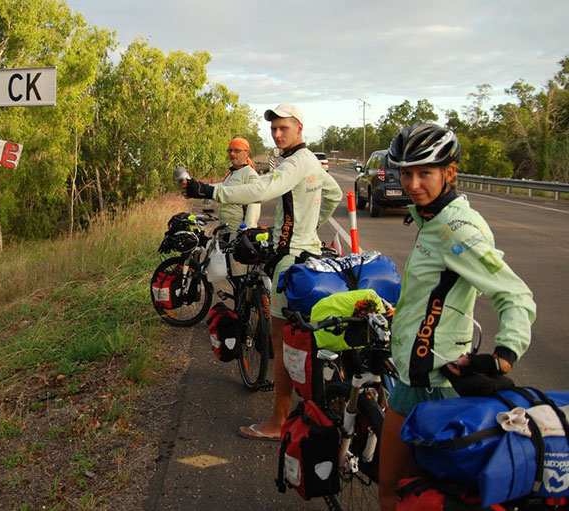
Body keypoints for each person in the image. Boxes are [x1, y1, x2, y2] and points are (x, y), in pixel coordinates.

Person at [377, 123, 536, 511]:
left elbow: (514, 294)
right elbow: (437, 291)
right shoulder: (434, 219)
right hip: (423, 369)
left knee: (391, 489)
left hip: (430, 382)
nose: (413, 184)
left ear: (450, 172)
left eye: (424, 173)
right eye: (406, 172)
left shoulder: (454, 228)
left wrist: (504, 354)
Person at [182, 103, 343, 440]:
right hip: (309, 253)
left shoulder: (295, 162)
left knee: (281, 344)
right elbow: (333, 194)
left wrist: (208, 190)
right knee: (305, 335)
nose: (277, 133)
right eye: (273, 129)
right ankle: (316, 406)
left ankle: (278, 423)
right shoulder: (310, 160)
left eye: (283, 128)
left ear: (299, 127)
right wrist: (311, 227)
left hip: (290, 260)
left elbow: (262, 189)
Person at [218, 137, 261, 278]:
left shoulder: (250, 174)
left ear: (246, 153)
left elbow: (254, 205)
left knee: (240, 276)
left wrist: (246, 233)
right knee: (231, 273)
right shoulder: (231, 174)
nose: (232, 154)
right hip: (227, 232)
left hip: (239, 234)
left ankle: (243, 300)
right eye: (230, 150)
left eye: (237, 150)